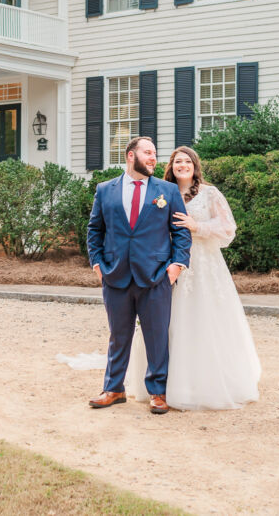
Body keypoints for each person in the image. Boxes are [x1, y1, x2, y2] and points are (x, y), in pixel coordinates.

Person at [127, 146, 261, 410]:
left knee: (203, 321)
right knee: (166, 323)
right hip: (169, 265)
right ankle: (162, 384)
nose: (182, 165)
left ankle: (204, 383)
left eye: (187, 161)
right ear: (171, 166)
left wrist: (196, 226)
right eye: (178, 161)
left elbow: (228, 229)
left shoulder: (210, 193)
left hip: (204, 266)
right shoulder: (162, 192)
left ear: (195, 166)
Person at [86, 136, 191, 415]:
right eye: (148, 152)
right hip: (115, 274)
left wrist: (176, 266)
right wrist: (97, 264)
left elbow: (181, 232)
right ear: (131, 156)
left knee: (156, 336)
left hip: (156, 275)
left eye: (155, 153)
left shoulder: (166, 191)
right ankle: (114, 389)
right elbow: (95, 230)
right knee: (118, 336)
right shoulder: (105, 190)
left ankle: (158, 392)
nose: (153, 158)